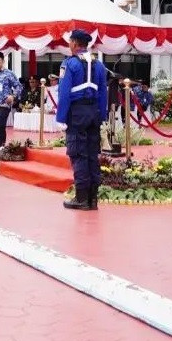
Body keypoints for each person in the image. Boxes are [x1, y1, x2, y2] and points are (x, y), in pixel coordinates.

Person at [56, 29, 108, 211]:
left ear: (75, 43)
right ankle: (93, 199)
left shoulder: (69, 64)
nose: (68, 45)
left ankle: (81, 198)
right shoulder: (99, 65)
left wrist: (61, 117)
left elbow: (63, 92)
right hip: (94, 112)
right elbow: (103, 92)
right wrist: (102, 115)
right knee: (92, 155)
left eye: (70, 42)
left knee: (78, 154)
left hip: (77, 114)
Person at [0, 52, 21, 150]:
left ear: (3, 61)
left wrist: (13, 96)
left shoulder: (8, 73)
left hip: (4, 105)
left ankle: (1, 147)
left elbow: (19, 86)